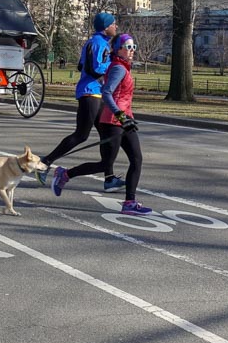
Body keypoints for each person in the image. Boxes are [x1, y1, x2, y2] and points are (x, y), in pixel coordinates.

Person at [49, 34, 151, 215]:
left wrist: (127, 117)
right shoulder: (119, 68)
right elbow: (106, 92)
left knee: (137, 159)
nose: (132, 50)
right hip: (112, 121)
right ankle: (64, 174)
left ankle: (129, 202)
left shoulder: (123, 67)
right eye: (128, 47)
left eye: (133, 46)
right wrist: (120, 115)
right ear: (118, 49)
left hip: (124, 120)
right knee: (105, 164)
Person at [36, 11, 123, 192]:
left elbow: (81, 65)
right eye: (113, 24)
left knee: (106, 136)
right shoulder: (98, 43)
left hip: (98, 94)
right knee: (81, 135)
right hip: (90, 94)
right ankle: (45, 163)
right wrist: (114, 64)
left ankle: (109, 178)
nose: (116, 26)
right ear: (106, 27)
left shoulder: (100, 43)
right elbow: (94, 69)